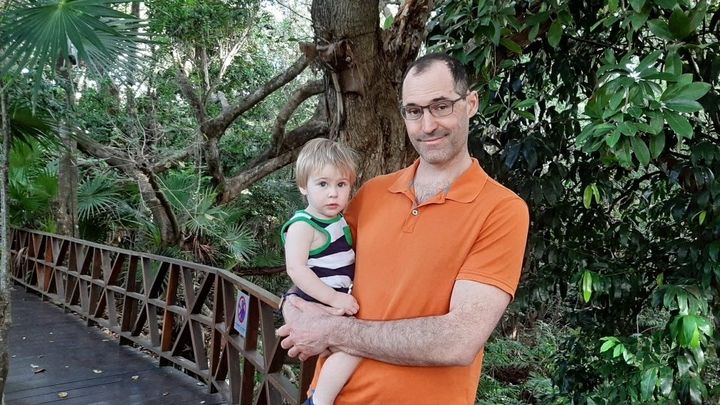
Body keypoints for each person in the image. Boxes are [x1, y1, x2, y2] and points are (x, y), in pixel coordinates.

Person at [278, 53, 530, 404]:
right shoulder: (373, 193)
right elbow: (321, 264)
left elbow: (458, 341)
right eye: (414, 111)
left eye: (441, 106)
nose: (427, 125)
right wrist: (290, 304)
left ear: (471, 103)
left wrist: (333, 329)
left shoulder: (501, 210)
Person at [280, 138, 362, 405]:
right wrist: (333, 298)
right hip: (320, 297)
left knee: (350, 345)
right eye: (323, 184)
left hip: (336, 296)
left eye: (341, 184)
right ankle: (320, 400)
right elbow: (296, 269)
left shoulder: (338, 220)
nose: (333, 193)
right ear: (304, 186)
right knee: (354, 345)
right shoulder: (303, 226)